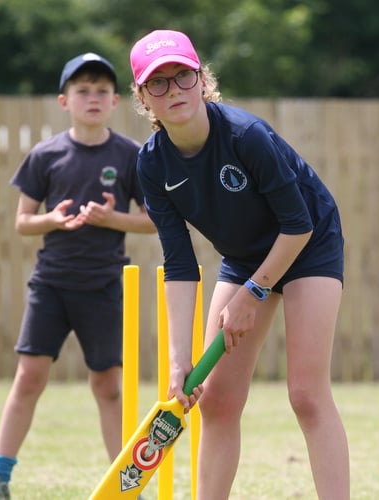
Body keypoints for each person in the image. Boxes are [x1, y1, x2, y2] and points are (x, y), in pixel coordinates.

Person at [129, 30, 351, 499]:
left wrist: (253, 293)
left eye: (182, 77)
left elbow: (298, 224)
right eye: (158, 84)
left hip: (308, 243)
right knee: (219, 401)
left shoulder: (245, 136)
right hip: (245, 257)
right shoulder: (152, 164)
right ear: (143, 97)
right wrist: (177, 362)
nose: (174, 91)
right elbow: (180, 263)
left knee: (306, 396)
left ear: (202, 79)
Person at [0, 52, 156, 500]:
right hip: (51, 284)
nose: (92, 98)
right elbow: (22, 222)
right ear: (63, 101)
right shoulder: (46, 154)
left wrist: (112, 220)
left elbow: (152, 221)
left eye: (101, 91)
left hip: (106, 285)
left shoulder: (130, 155)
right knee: (29, 377)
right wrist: (53, 218)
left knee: (108, 385)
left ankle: (125, 486)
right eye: (82, 91)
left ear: (115, 101)